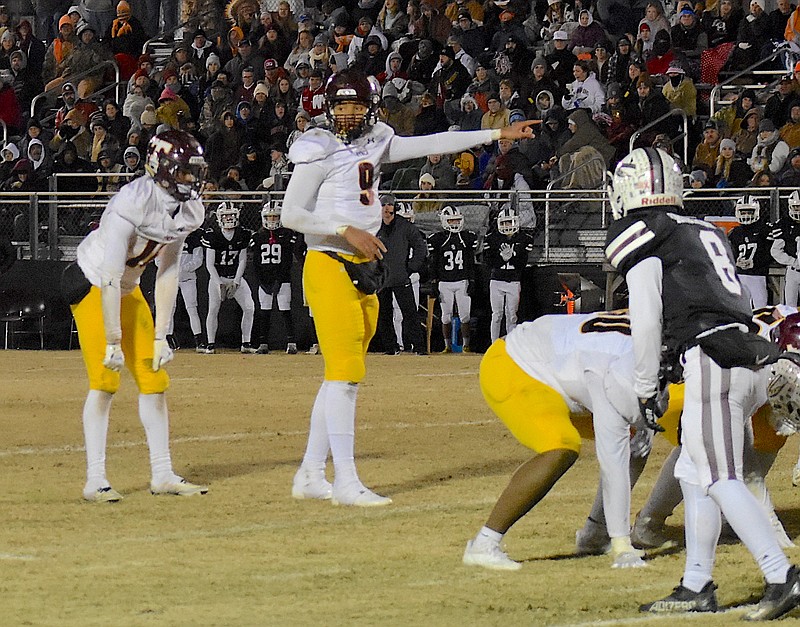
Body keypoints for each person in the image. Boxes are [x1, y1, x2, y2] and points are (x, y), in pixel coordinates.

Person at [281, 68, 535, 507]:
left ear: (372, 108)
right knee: (345, 377)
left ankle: (309, 472)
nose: (347, 115)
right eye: (340, 106)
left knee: (341, 377)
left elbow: (432, 143)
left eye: (356, 106)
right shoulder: (318, 148)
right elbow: (290, 214)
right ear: (327, 107)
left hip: (363, 265)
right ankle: (345, 480)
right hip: (329, 263)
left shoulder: (377, 138)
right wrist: (345, 229)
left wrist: (495, 134)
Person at [605, 147, 800, 620]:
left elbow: (648, 318)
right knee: (695, 476)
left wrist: (646, 383)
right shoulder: (703, 228)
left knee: (718, 476)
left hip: (713, 359)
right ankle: (696, 583)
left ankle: (782, 576)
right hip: (748, 354)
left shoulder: (651, 233)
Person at [59, 130, 209, 502]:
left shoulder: (187, 209)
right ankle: (95, 479)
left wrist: (162, 334)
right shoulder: (133, 202)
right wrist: (112, 339)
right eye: (184, 172)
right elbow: (109, 274)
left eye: (194, 172)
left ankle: (162, 473)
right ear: (161, 170)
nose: (191, 180)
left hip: (127, 287)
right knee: (106, 380)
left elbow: (168, 270)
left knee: (154, 379)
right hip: (93, 282)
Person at [463, 309, 658, 571]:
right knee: (561, 446)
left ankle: (594, 535)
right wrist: (622, 544)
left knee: (639, 439)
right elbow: (612, 457)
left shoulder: (651, 337)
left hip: (565, 367)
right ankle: (484, 542)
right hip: (518, 366)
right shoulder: (609, 367)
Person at [200, 202, 257, 354]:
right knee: (213, 309)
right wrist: (219, 283)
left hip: (234, 277)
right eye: (225, 215)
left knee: (250, 308)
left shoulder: (242, 234)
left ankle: (246, 343)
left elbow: (242, 259)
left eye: (231, 214)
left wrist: (237, 281)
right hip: (217, 278)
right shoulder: (212, 234)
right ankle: (210, 344)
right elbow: (209, 264)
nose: (228, 218)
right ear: (219, 217)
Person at [376, 193, 428, 355]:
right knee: (384, 314)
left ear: (395, 208)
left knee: (410, 313)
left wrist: (411, 267)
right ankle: (390, 348)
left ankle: (419, 348)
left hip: (400, 276)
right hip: (382, 278)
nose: (386, 208)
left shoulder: (405, 226)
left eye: (389, 205)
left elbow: (420, 247)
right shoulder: (374, 226)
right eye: (383, 205)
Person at [249, 201, 299, 354]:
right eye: (269, 217)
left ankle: (291, 342)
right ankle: (263, 343)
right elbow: (255, 262)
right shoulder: (258, 236)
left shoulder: (287, 234)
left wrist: (280, 278)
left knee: (285, 309)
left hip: (282, 278)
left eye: (275, 217)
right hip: (265, 278)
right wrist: (261, 280)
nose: (271, 220)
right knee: (264, 310)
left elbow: (287, 261)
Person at [427, 205, 478, 353]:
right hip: (445, 282)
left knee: (465, 315)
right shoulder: (437, 239)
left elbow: (470, 261)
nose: (454, 223)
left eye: (456, 220)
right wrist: (434, 281)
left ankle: (466, 345)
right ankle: (447, 345)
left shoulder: (467, 237)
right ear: (444, 221)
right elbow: (433, 263)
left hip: (462, 280)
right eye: (451, 220)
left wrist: (472, 280)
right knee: (446, 315)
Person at [483, 206, 534, 343]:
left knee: (512, 315)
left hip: (513, 281)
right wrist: (503, 259)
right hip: (497, 280)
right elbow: (488, 262)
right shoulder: (492, 238)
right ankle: (494, 344)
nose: (507, 226)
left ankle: (511, 344)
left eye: (509, 222)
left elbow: (521, 264)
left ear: (516, 222)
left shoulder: (524, 238)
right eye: (504, 223)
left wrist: (513, 256)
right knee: (497, 314)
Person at [165, 228, 206, 352]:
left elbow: (198, 260)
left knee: (192, 308)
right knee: (169, 309)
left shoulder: (194, 238)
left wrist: (183, 268)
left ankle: (199, 340)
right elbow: (158, 260)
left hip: (188, 278)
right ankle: (168, 338)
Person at [729, 196, 772, 309]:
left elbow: (770, 253)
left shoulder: (764, 229)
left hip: (758, 275)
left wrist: (756, 263)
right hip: (740, 275)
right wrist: (735, 262)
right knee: (741, 309)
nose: (746, 215)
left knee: (760, 309)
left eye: (750, 211)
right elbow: (730, 251)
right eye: (743, 212)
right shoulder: (735, 232)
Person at [771, 191, 800, 307]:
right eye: (796, 206)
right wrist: (792, 261)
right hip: (793, 270)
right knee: (789, 307)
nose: (798, 210)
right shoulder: (784, 224)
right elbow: (775, 250)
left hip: (793, 269)